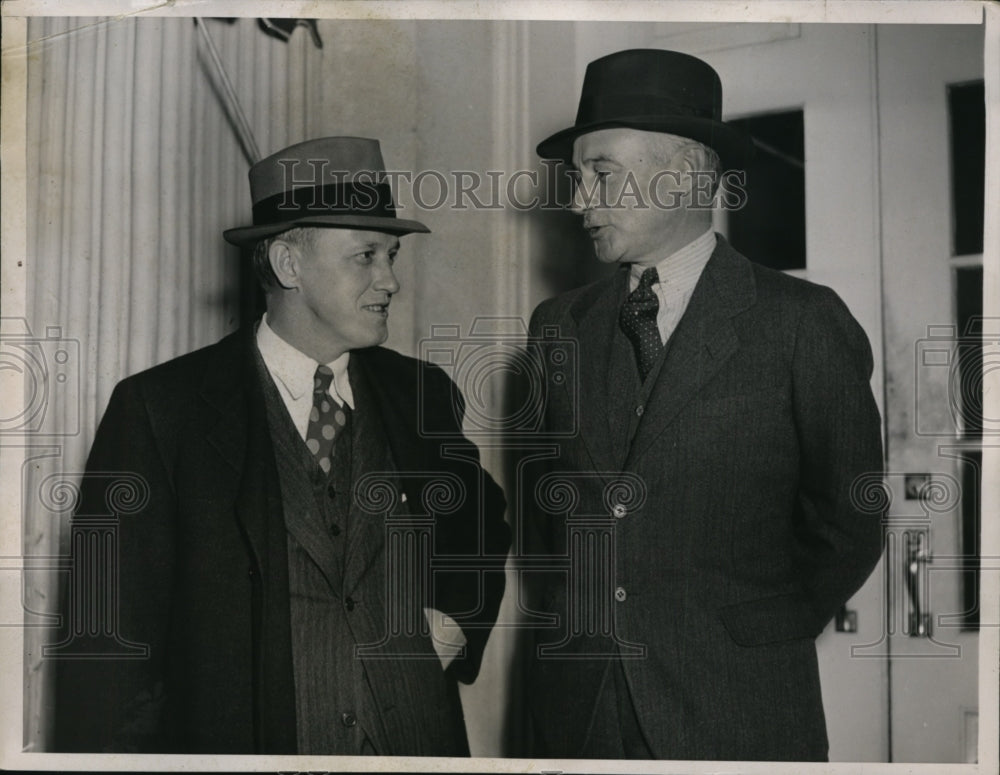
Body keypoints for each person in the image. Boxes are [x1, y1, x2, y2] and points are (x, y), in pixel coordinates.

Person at [51, 136, 510, 755]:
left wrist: (456, 618)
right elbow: (107, 649)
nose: (391, 280)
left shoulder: (420, 394)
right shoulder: (161, 410)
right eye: (366, 256)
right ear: (289, 265)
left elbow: (483, 519)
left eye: (392, 255)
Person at [526, 49, 885, 761]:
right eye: (576, 176)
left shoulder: (801, 321)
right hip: (580, 707)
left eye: (601, 172)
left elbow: (850, 517)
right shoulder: (557, 326)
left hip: (737, 704)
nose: (576, 200)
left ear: (689, 174)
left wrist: (757, 624)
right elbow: (549, 518)